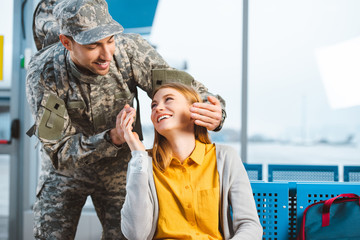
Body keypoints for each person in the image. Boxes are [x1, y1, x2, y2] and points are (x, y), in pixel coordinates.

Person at [26, 0, 226, 239]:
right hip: (66, 172)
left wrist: (213, 110)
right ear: (67, 42)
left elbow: (181, 89)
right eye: (93, 45)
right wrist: (112, 138)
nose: (106, 54)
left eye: (110, 40)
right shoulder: (44, 73)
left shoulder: (129, 50)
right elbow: (59, 151)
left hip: (119, 167)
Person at [120, 83, 262, 240]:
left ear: (195, 110)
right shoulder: (142, 163)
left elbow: (250, 225)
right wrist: (138, 155)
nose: (157, 108)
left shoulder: (225, 157)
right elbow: (135, 235)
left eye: (168, 100)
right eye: (154, 105)